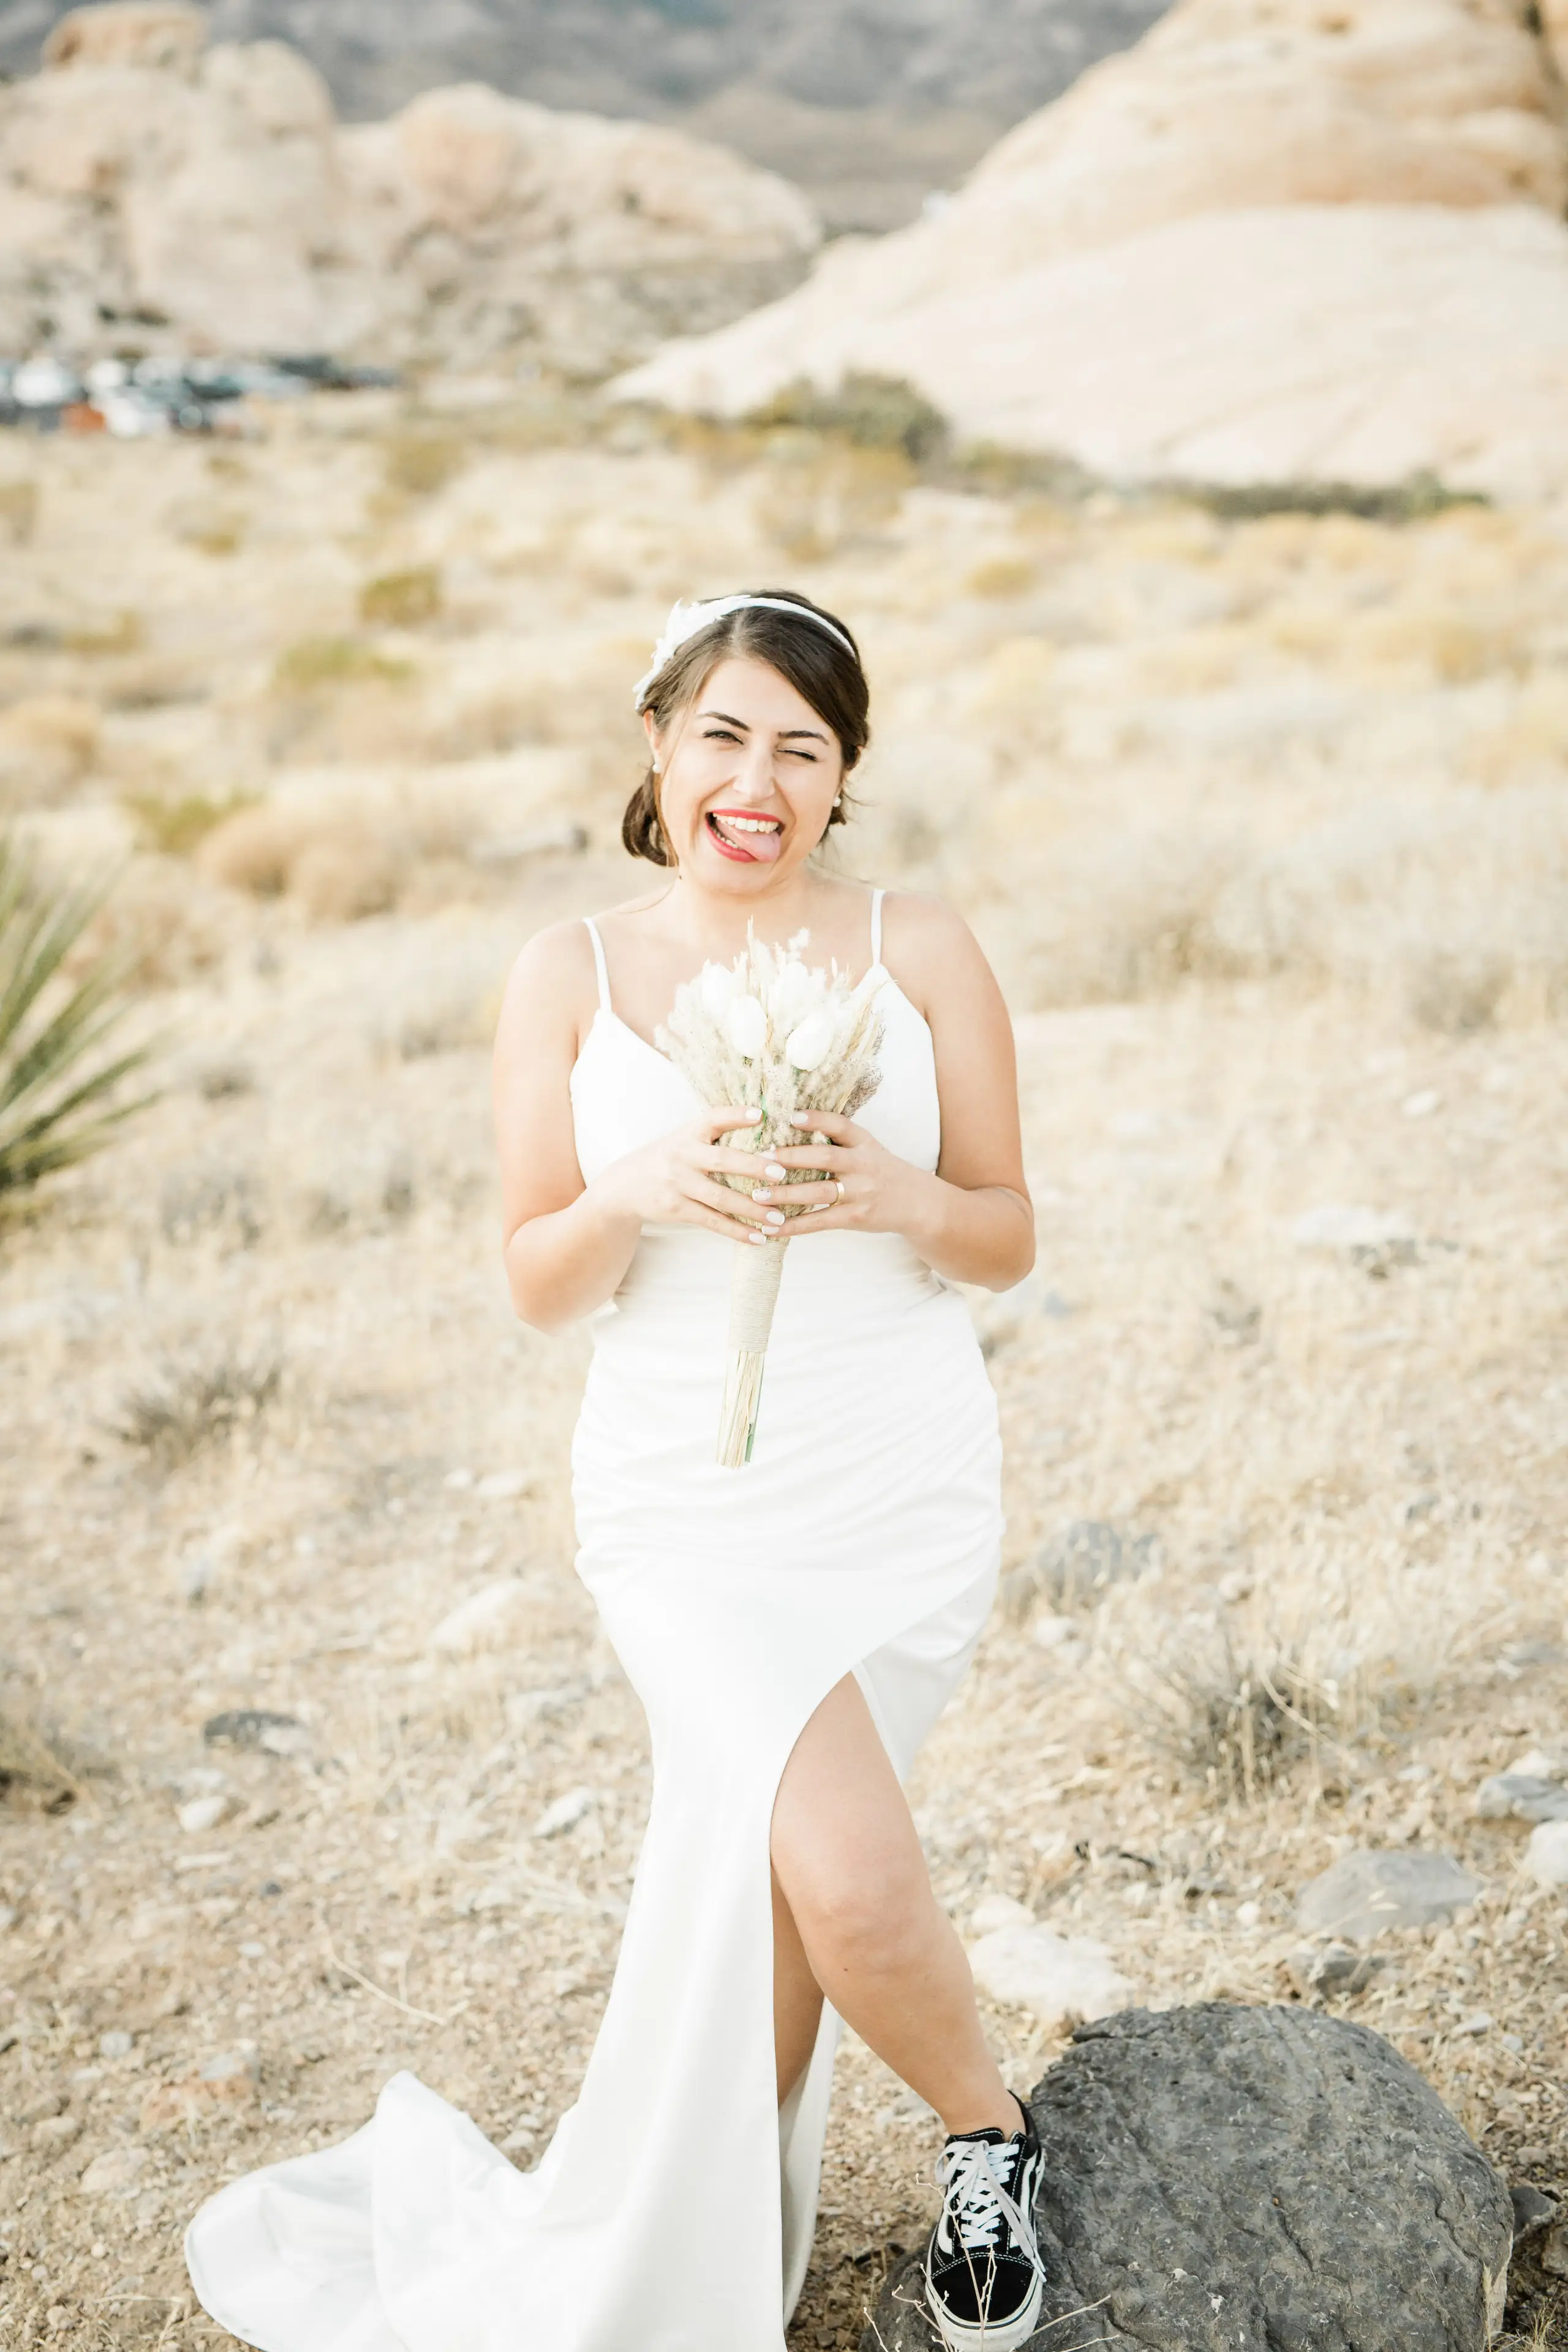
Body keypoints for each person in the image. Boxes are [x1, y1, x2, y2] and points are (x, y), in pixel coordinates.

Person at [184, 589, 1044, 2352]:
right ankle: (992, 2133)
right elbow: (533, 1275)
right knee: (851, 1876)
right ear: (657, 745)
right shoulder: (564, 972)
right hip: (682, 1502)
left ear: (843, 778)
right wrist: (644, 1188)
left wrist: (892, 1195)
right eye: (724, 734)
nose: (758, 780)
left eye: (803, 748)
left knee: (785, 1886)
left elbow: (1007, 1233)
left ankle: (729, 2238)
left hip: (896, 1479)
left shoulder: (923, 946)